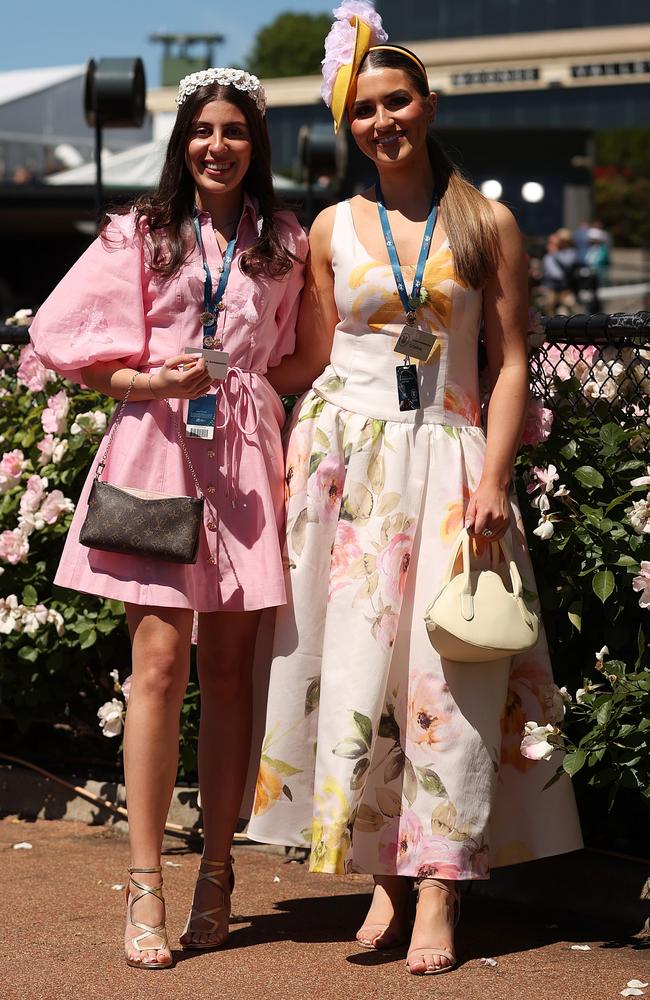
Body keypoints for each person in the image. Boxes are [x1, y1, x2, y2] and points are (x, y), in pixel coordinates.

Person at [247, 0, 582, 978]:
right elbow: (314, 352)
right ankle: (380, 875)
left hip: (445, 466)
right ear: (345, 122)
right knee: (354, 676)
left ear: (427, 103)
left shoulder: (486, 223)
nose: (381, 120)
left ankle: (437, 883)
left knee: (444, 682)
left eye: (396, 100)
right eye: (363, 108)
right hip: (342, 471)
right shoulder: (329, 227)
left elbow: (512, 358)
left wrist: (493, 474)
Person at [29, 67, 307, 970]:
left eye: (234, 131)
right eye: (202, 129)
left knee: (230, 674)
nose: (217, 145)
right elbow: (65, 338)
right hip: (154, 448)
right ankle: (145, 879)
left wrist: (256, 395)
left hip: (246, 467)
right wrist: (151, 380)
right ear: (183, 139)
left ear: (255, 144)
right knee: (155, 666)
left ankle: (217, 873)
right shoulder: (139, 233)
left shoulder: (287, 242)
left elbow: (308, 350)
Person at [540, 228, 578, 314]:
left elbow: (567, 264)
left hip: (565, 287)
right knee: (549, 310)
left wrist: (554, 253)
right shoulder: (549, 256)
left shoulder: (570, 252)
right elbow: (548, 270)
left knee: (570, 310)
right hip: (551, 287)